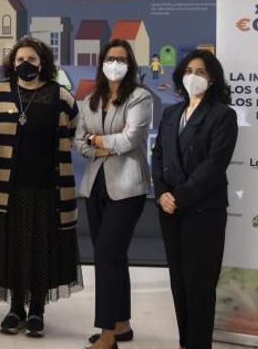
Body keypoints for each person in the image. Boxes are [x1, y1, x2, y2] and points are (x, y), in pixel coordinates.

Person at [0, 37, 83, 338]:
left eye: (33, 60)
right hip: (6, 189)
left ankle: (37, 309)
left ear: (43, 64)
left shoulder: (60, 96)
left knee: (40, 250)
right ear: (12, 63)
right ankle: (15, 309)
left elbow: (76, 128)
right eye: (20, 59)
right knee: (12, 248)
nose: (26, 64)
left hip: (47, 190)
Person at [152, 49, 238, 349]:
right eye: (189, 70)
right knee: (178, 282)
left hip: (203, 210)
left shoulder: (223, 115)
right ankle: (185, 342)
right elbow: (158, 155)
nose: (194, 76)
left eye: (201, 72)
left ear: (212, 79)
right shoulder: (171, 113)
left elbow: (214, 165)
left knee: (199, 285)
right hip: (168, 209)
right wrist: (161, 192)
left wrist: (179, 196)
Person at [74, 39, 153, 349]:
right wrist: (102, 143)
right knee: (114, 256)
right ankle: (122, 324)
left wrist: (97, 142)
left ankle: (107, 335)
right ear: (102, 63)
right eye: (110, 58)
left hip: (128, 188)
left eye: (121, 58)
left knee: (106, 255)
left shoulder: (140, 97)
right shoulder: (90, 99)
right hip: (95, 186)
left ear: (130, 64)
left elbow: (131, 139)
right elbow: (78, 142)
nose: (115, 63)